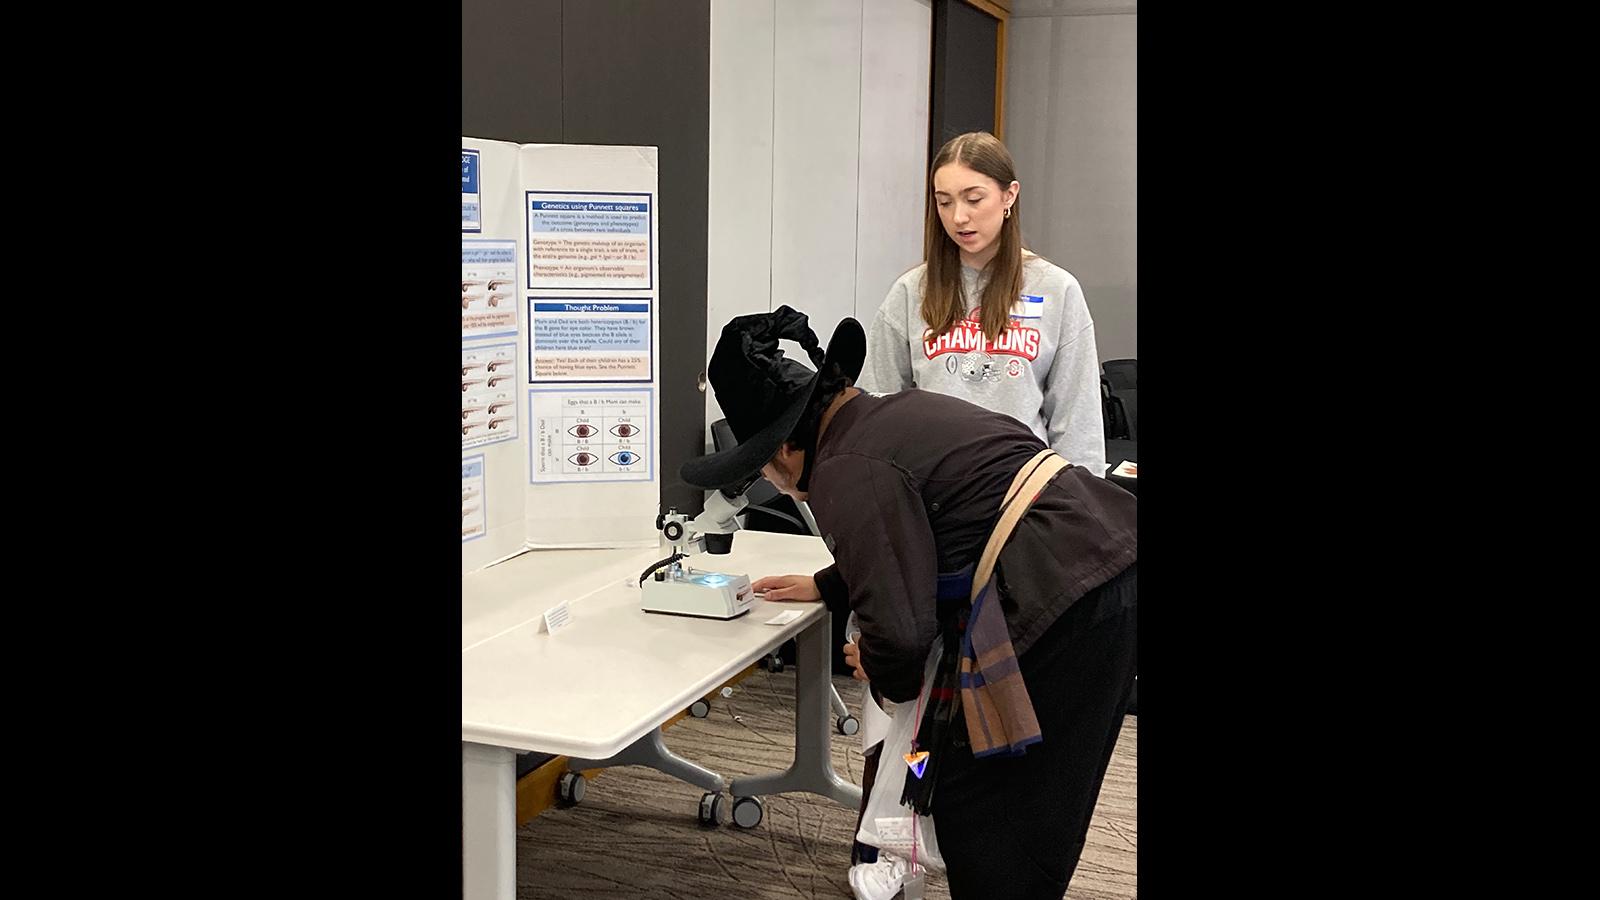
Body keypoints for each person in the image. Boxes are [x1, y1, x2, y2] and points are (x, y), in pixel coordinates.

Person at [682, 306, 1137, 900]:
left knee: (989, 810)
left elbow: (900, 639)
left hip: (1066, 598)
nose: (774, 477)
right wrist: (831, 584)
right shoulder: (884, 417)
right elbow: (929, 525)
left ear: (788, 446)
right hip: (1104, 558)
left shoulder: (843, 470)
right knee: (1046, 797)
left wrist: (880, 669)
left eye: (765, 462)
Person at [861, 131, 1107, 477]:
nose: (958, 216)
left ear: (1009, 195)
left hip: (1022, 496)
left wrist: (1084, 509)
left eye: (973, 199)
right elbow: (877, 407)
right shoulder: (910, 291)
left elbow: (1077, 422)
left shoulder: (1057, 290)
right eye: (944, 202)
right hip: (931, 493)